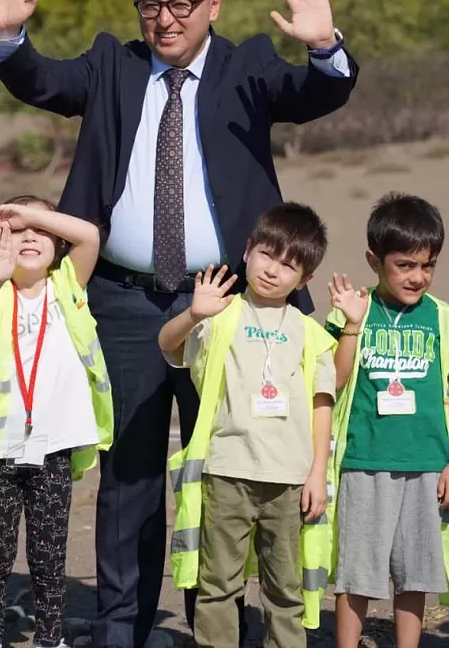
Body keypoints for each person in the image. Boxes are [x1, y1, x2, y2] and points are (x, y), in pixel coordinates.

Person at [0, 0, 359, 648]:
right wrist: (8, 37)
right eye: (151, 4)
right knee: (130, 472)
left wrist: (325, 46)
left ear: (214, 5)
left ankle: (216, 626)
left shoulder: (248, 67)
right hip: (123, 301)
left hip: (233, 301)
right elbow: (42, 81)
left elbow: (316, 94)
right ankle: (122, 626)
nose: (165, 18)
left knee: (231, 464)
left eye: (182, 3)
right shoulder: (110, 65)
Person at [157, 202, 336, 648]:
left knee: (286, 590)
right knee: (218, 584)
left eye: (289, 264)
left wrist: (317, 473)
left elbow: (321, 405)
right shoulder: (220, 314)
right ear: (248, 250)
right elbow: (167, 345)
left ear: (306, 278)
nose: (273, 270)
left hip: (290, 480)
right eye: (266, 255)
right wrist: (194, 314)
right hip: (228, 470)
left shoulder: (310, 333)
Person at [324, 192, 449, 648]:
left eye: (428, 265)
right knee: (356, 571)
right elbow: (333, 378)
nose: (418, 277)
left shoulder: (445, 318)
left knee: (415, 572)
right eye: (405, 265)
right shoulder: (353, 309)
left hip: (426, 464)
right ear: (375, 260)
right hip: (363, 459)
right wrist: (351, 325)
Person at [0, 196, 110, 648]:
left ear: (57, 244)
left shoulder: (68, 286)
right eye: (15, 231)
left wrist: (31, 215)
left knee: (49, 554)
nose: (28, 237)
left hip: (53, 445)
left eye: (39, 231)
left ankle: (51, 636)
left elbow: (89, 236)